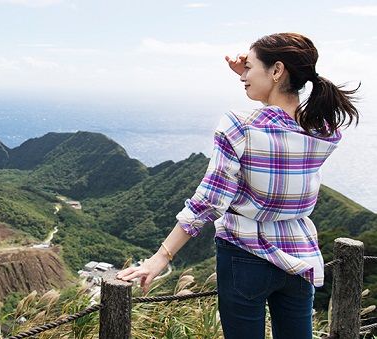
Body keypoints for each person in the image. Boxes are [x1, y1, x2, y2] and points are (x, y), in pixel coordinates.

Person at [116, 32, 360, 338]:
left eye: (250, 67)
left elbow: (209, 199)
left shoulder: (240, 125)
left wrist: (160, 258)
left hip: (245, 256)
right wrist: (257, 74)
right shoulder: (320, 131)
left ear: (276, 70)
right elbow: (290, 115)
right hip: (300, 258)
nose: (243, 75)